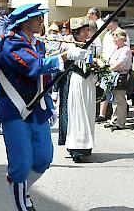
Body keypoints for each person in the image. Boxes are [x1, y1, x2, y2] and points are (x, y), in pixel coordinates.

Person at [0, 3, 74, 210]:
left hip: (37, 109)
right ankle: (21, 201)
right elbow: (32, 67)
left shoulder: (38, 44)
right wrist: (63, 57)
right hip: (14, 109)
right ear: (25, 22)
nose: (41, 21)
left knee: (44, 158)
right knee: (21, 163)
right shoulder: (10, 43)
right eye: (38, 18)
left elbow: (42, 80)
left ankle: (22, 188)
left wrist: (48, 104)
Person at [58, 16, 99, 163]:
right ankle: (76, 147)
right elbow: (62, 62)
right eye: (84, 30)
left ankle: (86, 146)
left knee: (87, 112)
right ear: (77, 32)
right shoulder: (69, 45)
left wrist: (97, 67)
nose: (87, 32)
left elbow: (93, 61)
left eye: (88, 29)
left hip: (88, 82)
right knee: (77, 113)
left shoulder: (91, 46)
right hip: (76, 81)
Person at [105, 28, 132, 131]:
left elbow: (120, 64)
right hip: (113, 76)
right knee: (114, 100)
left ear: (121, 38)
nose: (114, 40)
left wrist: (107, 70)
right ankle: (114, 119)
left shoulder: (126, 50)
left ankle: (120, 122)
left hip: (121, 76)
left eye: (115, 37)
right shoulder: (116, 49)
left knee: (120, 100)